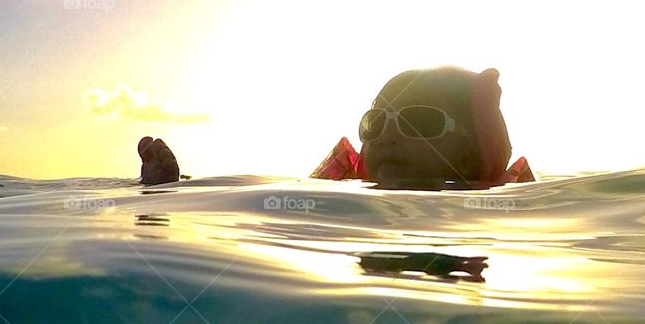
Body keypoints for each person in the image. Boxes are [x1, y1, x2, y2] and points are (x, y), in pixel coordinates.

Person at [137, 65, 533, 187]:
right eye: (374, 123)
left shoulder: (500, 215)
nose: (389, 133)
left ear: (471, 154)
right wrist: (172, 191)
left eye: (420, 121)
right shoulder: (339, 199)